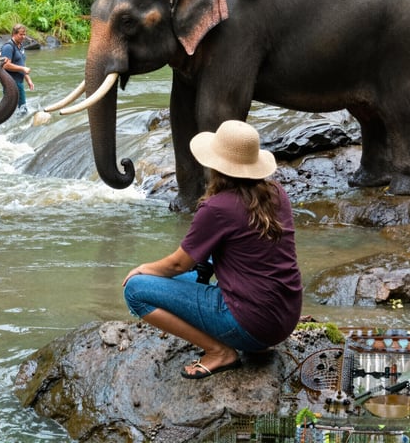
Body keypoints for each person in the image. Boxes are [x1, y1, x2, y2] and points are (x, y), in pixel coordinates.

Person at [122, 120, 302, 380]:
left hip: (248, 324)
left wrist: (141, 269)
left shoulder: (218, 207)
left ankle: (219, 351)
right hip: (283, 319)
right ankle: (226, 333)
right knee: (198, 261)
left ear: (216, 165)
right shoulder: (276, 193)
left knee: (137, 290)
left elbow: (177, 265)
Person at [0, 24, 34, 114]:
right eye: (21, 34)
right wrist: (23, 68)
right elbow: (5, 65)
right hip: (11, 83)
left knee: (13, 109)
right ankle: (21, 127)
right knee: (22, 109)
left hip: (19, 82)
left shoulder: (20, 46)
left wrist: (28, 80)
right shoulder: (8, 47)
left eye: (24, 34)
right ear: (14, 33)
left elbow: (22, 63)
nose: (23, 37)